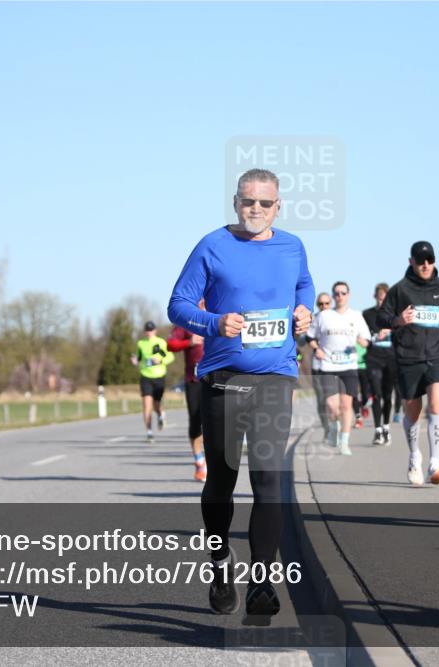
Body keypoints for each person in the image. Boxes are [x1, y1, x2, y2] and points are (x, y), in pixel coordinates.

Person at [167, 168, 314, 623]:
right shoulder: (212, 246)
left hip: (276, 376)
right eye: (248, 202)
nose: (256, 210)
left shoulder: (292, 246)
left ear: (278, 206)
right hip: (224, 377)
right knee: (222, 482)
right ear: (235, 202)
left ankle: (262, 582)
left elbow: (303, 286)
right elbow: (178, 304)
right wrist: (214, 323)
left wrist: (305, 310)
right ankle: (219, 565)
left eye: (264, 203)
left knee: (269, 479)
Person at [378, 241, 439, 486]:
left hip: (437, 355)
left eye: (430, 260)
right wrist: (399, 320)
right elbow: (382, 318)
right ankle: (414, 454)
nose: (426, 265)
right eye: (420, 261)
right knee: (413, 412)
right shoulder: (399, 290)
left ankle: (435, 463)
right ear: (411, 262)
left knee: (436, 406)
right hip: (408, 357)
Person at [306, 281, 370, 456]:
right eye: (337, 293)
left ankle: (344, 441)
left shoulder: (356, 316)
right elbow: (310, 337)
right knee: (331, 405)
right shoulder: (324, 316)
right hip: (328, 364)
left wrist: (361, 342)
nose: (339, 296)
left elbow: (366, 339)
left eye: (343, 293)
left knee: (345, 406)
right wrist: (316, 349)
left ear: (348, 295)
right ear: (333, 296)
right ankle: (334, 426)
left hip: (349, 365)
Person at [167, 301, 207, 482]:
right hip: (193, 379)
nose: (202, 301)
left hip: (215, 377)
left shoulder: (219, 314)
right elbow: (171, 344)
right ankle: (199, 461)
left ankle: (211, 461)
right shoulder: (186, 320)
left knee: (215, 420)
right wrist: (189, 342)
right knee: (195, 420)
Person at [363, 282, 396, 445]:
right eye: (379, 298)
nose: (381, 301)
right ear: (375, 297)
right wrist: (367, 338)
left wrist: (390, 330)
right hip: (374, 358)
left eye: (385, 298)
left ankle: (386, 427)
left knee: (388, 396)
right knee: (376, 394)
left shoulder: (395, 314)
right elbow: (361, 334)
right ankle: (377, 431)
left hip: (391, 358)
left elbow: (404, 331)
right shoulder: (367, 314)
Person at [133, 321, 175, 443]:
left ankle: (161, 415)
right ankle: (149, 433)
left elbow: (170, 357)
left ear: (155, 330)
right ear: (145, 331)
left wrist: (160, 361)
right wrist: (136, 362)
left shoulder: (160, 343)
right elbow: (139, 359)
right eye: (147, 330)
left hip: (159, 376)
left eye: (151, 330)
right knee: (147, 405)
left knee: (156, 405)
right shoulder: (141, 344)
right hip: (145, 376)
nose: (149, 332)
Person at [307, 293, 332, 440]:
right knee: (322, 400)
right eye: (321, 304)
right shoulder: (313, 320)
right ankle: (327, 428)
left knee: (333, 400)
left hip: (335, 367)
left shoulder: (337, 319)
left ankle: (337, 426)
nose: (324, 307)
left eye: (327, 303)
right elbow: (304, 341)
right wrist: (315, 349)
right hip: (317, 366)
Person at [354, 341, 370, 429]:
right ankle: (358, 417)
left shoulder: (363, 333)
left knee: (365, 393)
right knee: (353, 393)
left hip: (364, 367)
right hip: (351, 367)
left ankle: (364, 405)